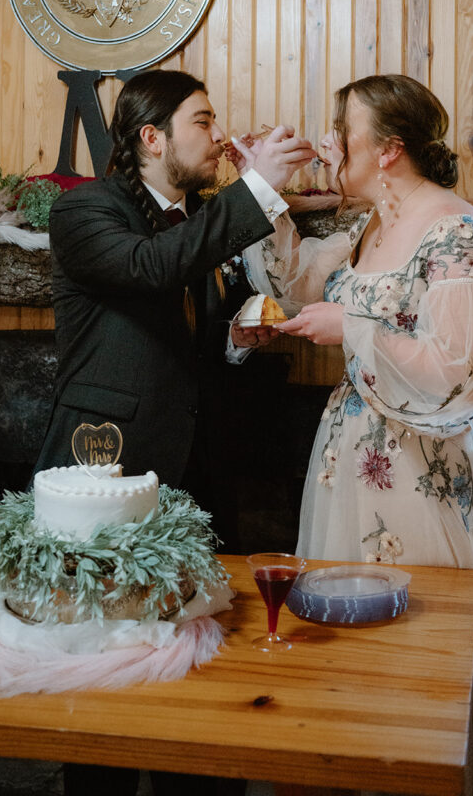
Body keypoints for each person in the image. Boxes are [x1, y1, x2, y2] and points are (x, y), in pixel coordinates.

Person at [238, 74, 473, 796]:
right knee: (353, 656)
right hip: (355, 460)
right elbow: (302, 284)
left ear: (388, 149)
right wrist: (263, 191)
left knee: (430, 650)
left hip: (430, 467)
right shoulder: (368, 225)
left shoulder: (458, 231)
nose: (332, 141)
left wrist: (354, 330)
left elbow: (464, 369)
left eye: (344, 130)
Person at [34, 68, 314, 796]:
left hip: (193, 470)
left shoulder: (193, 219)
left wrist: (235, 341)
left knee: (194, 662)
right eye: (203, 120)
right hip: (105, 465)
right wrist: (257, 192)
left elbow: (194, 328)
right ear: (151, 137)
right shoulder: (87, 210)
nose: (219, 136)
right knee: (102, 665)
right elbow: (147, 268)